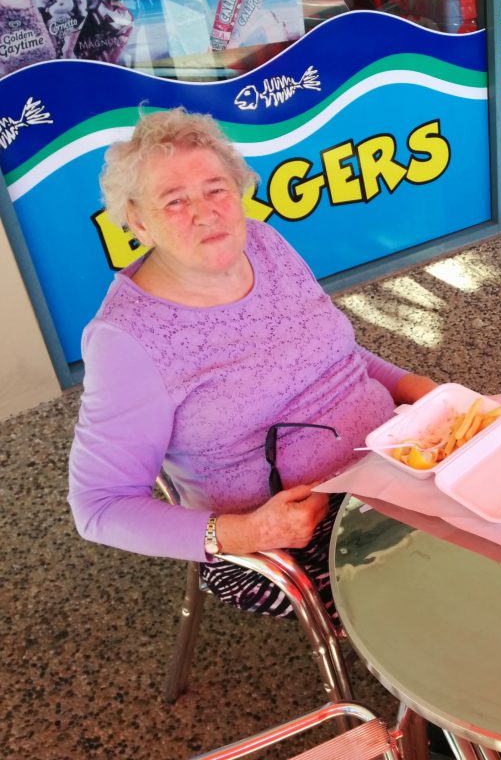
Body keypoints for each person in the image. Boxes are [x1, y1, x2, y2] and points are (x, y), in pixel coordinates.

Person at [67, 107, 438, 620]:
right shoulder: (125, 340)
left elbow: (334, 353)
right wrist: (251, 531)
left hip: (391, 461)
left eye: (216, 189)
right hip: (286, 534)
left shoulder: (264, 242)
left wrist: (419, 390)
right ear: (138, 222)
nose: (204, 212)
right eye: (174, 200)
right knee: (443, 593)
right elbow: (98, 507)